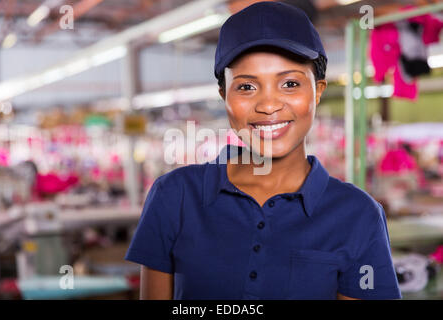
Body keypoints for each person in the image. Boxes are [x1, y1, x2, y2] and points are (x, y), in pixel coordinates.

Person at [125, 1, 401, 300]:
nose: (268, 105)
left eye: (290, 83)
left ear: (318, 90)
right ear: (224, 95)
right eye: (246, 87)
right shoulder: (174, 196)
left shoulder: (358, 215)